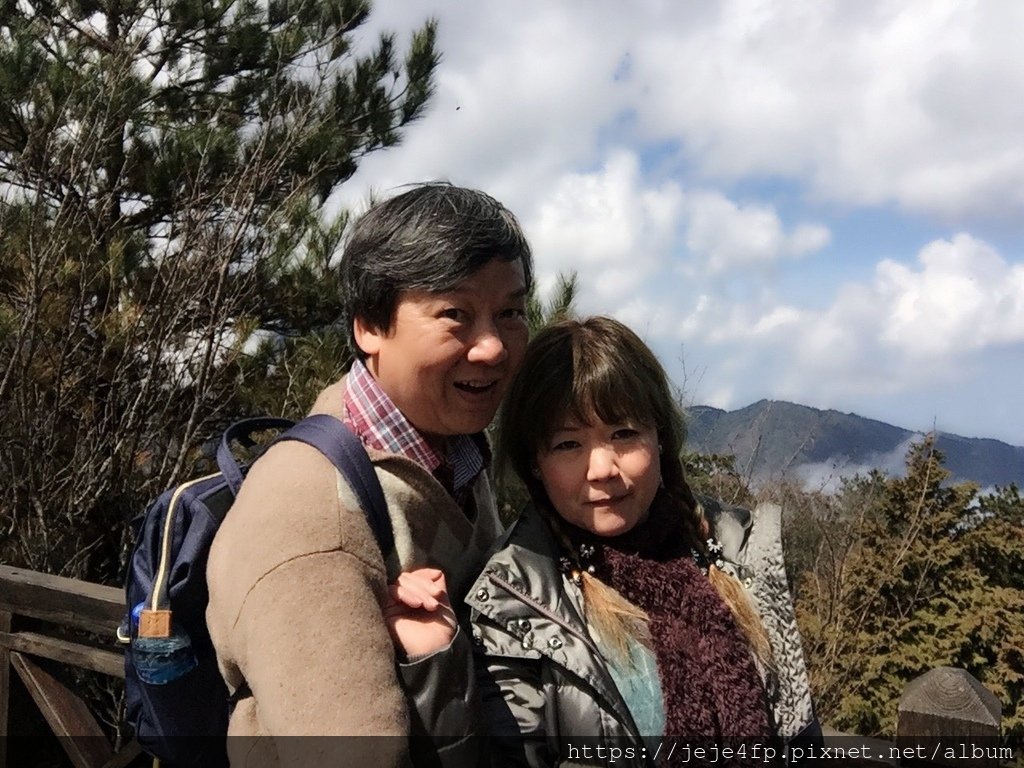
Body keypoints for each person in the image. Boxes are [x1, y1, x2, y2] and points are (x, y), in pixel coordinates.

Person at [205, 182, 533, 766]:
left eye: (510, 313)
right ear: (369, 328)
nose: (493, 348)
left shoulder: (453, 448)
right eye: (455, 314)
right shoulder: (312, 514)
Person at [462, 316, 822, 766]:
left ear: (660, 439)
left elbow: (800, 733)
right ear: (535, 462)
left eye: (623, 434)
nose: (602, 469)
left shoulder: (738, 548)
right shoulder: (512, 602)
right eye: (568, 444)